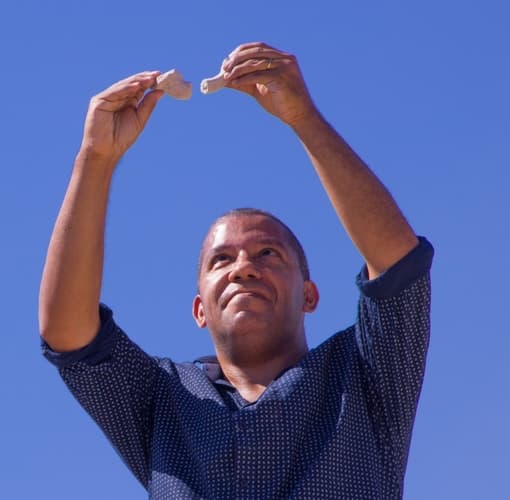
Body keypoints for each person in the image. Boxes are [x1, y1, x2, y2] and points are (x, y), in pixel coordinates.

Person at [39, 42, 433, 499]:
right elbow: (68, 335)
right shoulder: (164, 400)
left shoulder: (365, 377)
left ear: (309, 295)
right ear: (199, 309)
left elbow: (398, 265)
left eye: (268, 255)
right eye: (221, 260)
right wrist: (96, 159)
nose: (243, 268)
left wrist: (303, 117)